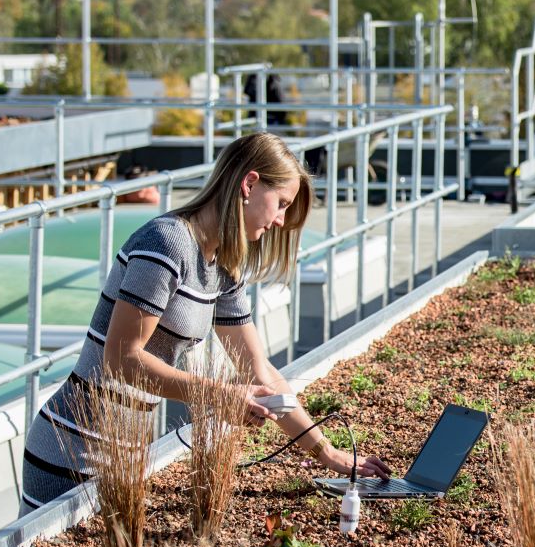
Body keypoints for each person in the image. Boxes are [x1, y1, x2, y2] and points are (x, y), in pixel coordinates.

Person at [20, 131, 389, 511]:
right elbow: (121, 358)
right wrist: (220, 396)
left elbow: (259, 370)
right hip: (69, 450)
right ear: (249, 184)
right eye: (281, 203)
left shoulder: (222, 268)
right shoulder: (165, 244)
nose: (280, 220)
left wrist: (328, 453)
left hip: (124, 453)